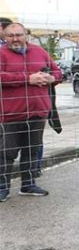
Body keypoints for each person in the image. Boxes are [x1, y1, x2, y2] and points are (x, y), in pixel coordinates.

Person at [0, 23, 62, 202]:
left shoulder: (40, 51)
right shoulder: (1, 53)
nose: (15, 39)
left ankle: (28, 183)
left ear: (26, 35)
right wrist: (27, 79)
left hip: (38, 111)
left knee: (32, 150)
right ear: (4, 37)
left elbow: (57, 71)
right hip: (10, 113)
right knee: (6, 152)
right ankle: (2, 187)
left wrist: (52, 78)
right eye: (10, 35)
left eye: (18, 34)